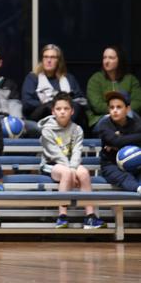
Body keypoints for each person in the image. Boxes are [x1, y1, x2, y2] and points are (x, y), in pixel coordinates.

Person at [39, 92, 105, 229]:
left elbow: (76, 151)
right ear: (53, 111)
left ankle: (90, 217)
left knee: (84, 173)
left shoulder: (77, 129)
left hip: (71, 164)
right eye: (58, 109)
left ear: (72, 111)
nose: (62, 112)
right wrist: (71, 171)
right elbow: (56, 154)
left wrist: (74, 169)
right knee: (66, 173)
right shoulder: (47, 130)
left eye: (66, 108)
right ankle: (62, 216)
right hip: (51, 164)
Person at [22, 44, 88, 130]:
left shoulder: (68, 78)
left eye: (53, 57)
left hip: (68, 115)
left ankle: (65, 129)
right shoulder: (33, 78)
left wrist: (64, 106)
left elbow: (81, 100)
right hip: (42, 115)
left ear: (59, 61)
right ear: (42, 60)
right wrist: (51, 104)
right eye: (45, 57)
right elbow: (27, 103)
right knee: (50, 106)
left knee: (75, 107)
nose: (49, 60)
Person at [0, 47, 38, 137]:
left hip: (10, 120)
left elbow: (15, 104)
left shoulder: (9, 83)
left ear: (0, 63)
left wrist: (16, 122)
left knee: (37, 128)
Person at [87, 46, 141, 131]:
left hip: (128, 117)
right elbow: (97, 106)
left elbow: (138, 102)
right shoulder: (95, 79)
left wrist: (122, 113)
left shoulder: (131, 79)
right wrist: (116, 111)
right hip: (102, 118)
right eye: (104, 58)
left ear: (119, 60)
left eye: (111, 58)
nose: (106, 61)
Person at [97, 91, 141, 194]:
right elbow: (116, 141)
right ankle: (138, 189)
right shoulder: (104, 124)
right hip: (111, 165)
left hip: (136, 164)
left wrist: (121, 140)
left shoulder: (136, 123)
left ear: (127, 109)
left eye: (119, 107)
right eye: (112, 107)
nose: (115, 110)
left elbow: (119, 141)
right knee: (125, 177)